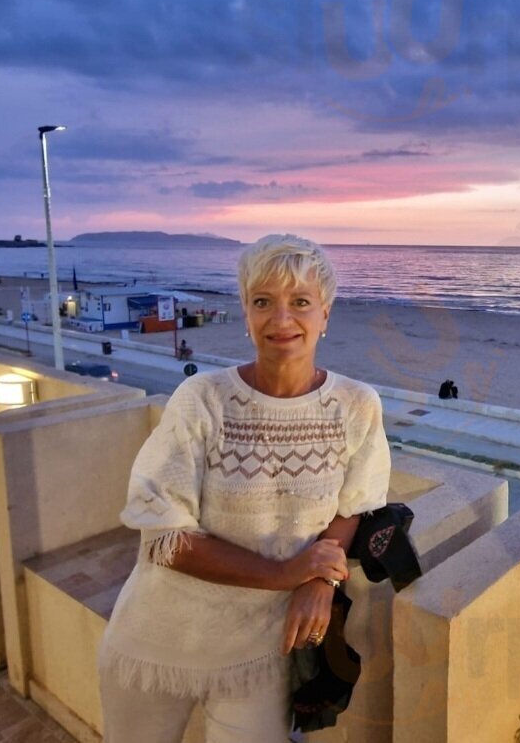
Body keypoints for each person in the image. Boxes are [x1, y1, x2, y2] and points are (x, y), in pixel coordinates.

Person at [98, 234, 390, 742]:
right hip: (156, 641)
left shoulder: (356, 406)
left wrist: (321, 580)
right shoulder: (202, 399)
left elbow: (354, 506)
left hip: (260, 654)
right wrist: (287, 575)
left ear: (326, 313)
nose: (281, 320)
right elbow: (164, 540)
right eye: (263, 302)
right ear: (245, 311)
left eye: (300, 302)